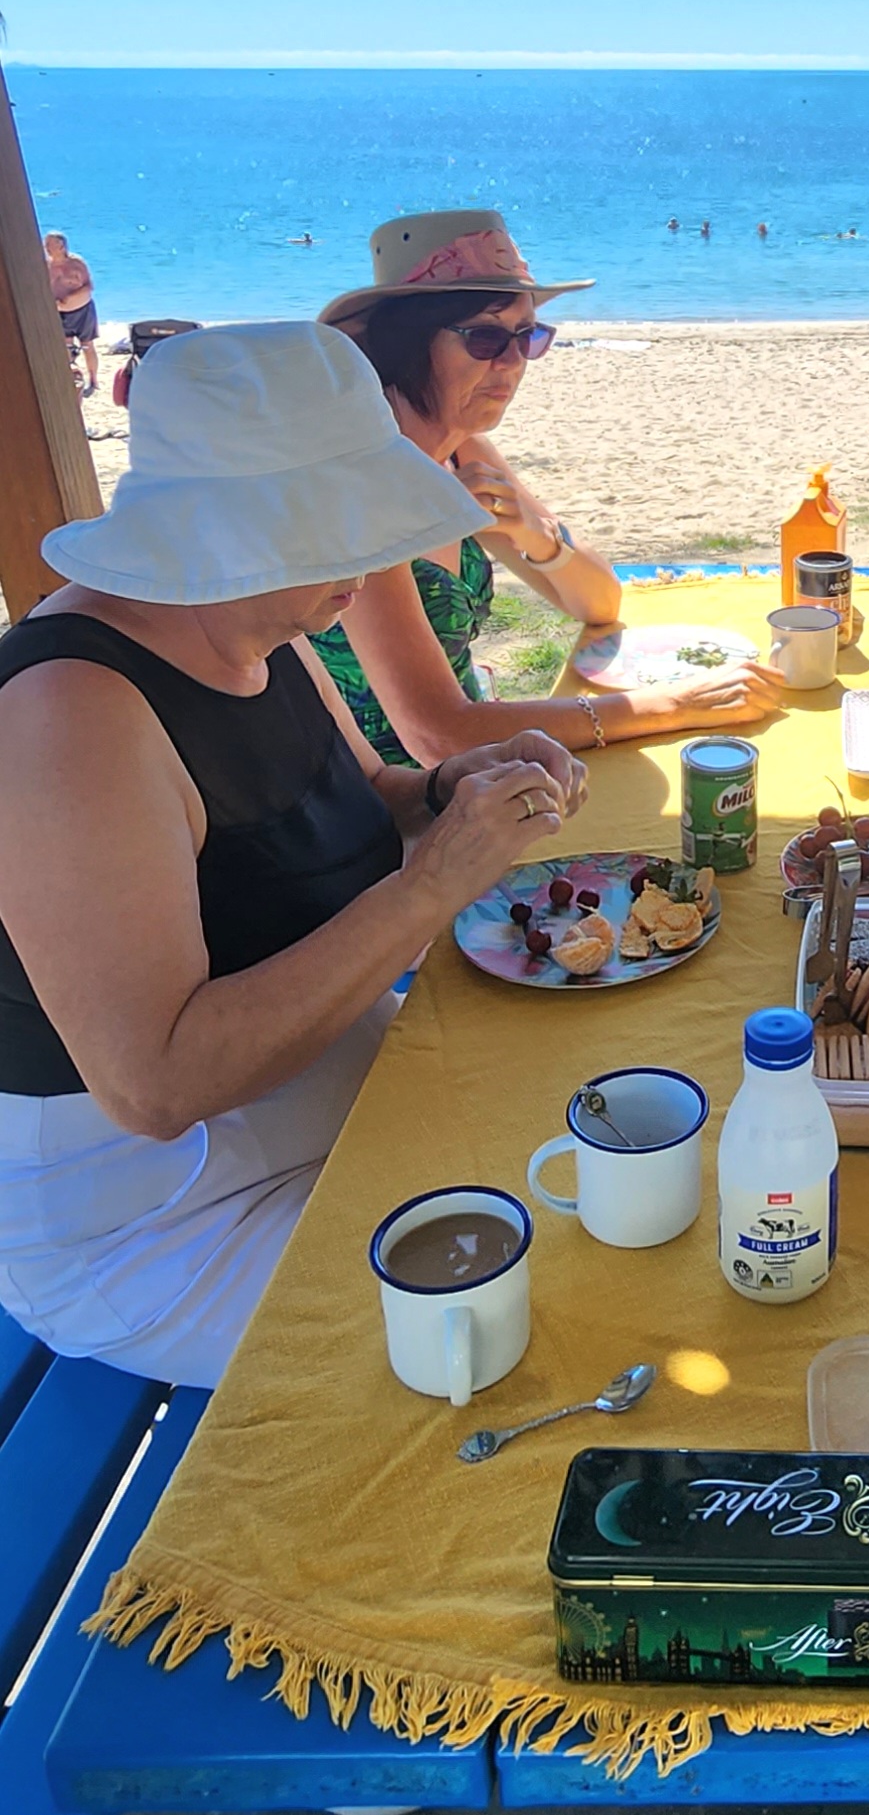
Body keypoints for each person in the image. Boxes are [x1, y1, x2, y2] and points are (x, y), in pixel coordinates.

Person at [0, 319, 588, 1388]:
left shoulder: (260, 632)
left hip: (333, 1095)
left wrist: (460, 788)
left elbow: (374, 797)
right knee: (518, 1324)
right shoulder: (67, 713)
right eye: (340, 531)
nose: (367, 566)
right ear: (233, 532)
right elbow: (156, 1086)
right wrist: (433, 883)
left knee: (606, 1185)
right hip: (152, 1209)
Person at [315, 210, 781, 766]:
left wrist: (533, 533)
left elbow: (601, 601)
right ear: (407, 343)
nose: (514, 364)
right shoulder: (364, 489)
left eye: (528, 336)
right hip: (389, 801)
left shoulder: (461, 449)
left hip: (480, 765)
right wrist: (668, 705)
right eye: (487, 338)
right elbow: (436, 733)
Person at [45, 232, 99, 396]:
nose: (46, 248)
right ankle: (70, 380)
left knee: (87, 345)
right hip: (61, 313)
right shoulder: (46, 265)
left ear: (61, 246)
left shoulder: (76, 263)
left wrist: (70, 298)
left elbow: (89, 286)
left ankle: (94, 380)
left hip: (82, 309)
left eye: (50, 244)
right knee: (66, 346)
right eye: (46, 244)